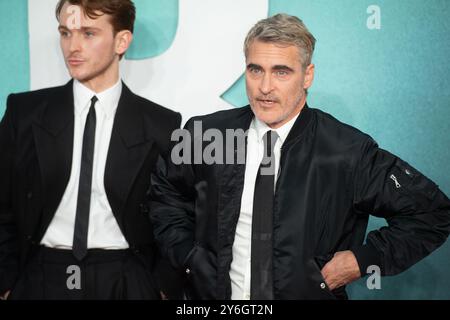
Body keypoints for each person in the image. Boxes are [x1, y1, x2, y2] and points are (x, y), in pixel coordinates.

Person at [149, 13, 450, 300]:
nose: (265, 87)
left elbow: (432, 213)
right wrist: (188, 257)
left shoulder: (345, 149)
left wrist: (361, 259)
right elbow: (166, 194)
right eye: (256, 70)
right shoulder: (205, 133)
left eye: (281, 71)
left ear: (308, 75)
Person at [0, 0, 183, 300]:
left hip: (126, 278)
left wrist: (160, 285)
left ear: (121, 41)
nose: (72, 46)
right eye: (65, 33)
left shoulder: (161, 125)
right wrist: (7, 281)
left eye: (88, 33)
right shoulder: (25, 113)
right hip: (40, 275)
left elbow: (178, 213)